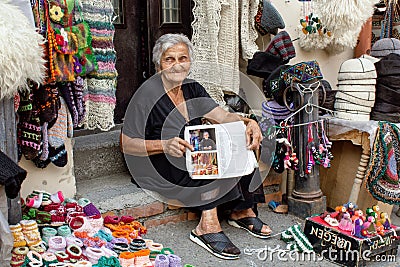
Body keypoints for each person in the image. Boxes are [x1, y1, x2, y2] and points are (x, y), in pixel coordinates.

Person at [121, 33, 271, 260]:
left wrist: (250, 123)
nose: (177, 65)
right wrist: (164, 144)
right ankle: (207, 226)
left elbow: (222, 117)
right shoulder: (146, 95)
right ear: (158, 64)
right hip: (157, 160)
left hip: (186, 154)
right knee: (203, 152)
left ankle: (243, 209)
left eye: (183, 58)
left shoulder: (192, 89)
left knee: (238, 136)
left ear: (190, 62)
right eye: (169, 59)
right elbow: (126, 144)